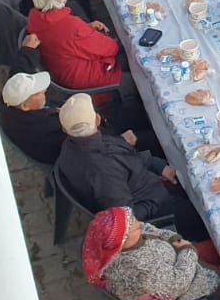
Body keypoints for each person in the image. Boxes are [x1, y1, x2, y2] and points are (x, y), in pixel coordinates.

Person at [56, 95, 207, 240]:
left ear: (65, 129)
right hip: (158, 210)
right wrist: (156, 199)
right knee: (204, 212)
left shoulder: (71, 145)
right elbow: (127, 217)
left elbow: (126, 160)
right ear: (97, 119)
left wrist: (159, 166)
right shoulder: (103, 172)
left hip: (147, 183)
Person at [84, 207, 220, 300]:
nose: (138, 224)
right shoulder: (140, 273)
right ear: (122, 240)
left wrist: (173, 238)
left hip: (179, 255)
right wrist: (187, 250)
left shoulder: (113, 243)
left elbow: (148, 228)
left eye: (133, 219)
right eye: (134, 227)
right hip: (192, 284)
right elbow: (180, 282)